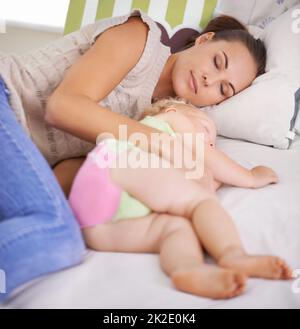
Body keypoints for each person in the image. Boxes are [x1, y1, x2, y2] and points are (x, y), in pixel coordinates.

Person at [0, 9, 267, 301]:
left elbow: (63, 178)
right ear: (204, 40)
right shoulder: (140, 37)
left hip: (14, 157)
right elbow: (62, 107)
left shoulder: (148, 120)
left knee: (61, 238)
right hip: (5, 100)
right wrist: (160, 142)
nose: (209, 80)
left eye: (223, 89)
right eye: (218, 62)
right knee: (57, 233)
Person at [67, 97, 292, 300]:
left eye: (212, 143)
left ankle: (187, 269)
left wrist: (208, 181)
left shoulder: (163, 175)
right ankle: (233, 254)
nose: (210, 145)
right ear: (174, 109)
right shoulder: (172, 121)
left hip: (94, 224)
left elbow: (193, 185)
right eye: (206, 130)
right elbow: (206, 173)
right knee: (200, 204)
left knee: (175, 229)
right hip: (116, 163)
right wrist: (250, 177)